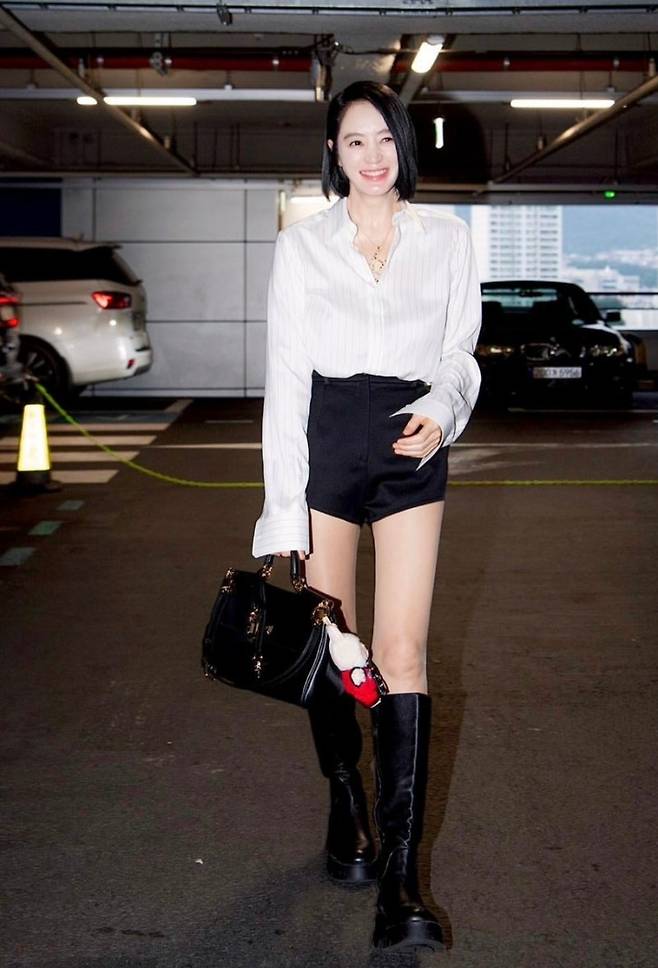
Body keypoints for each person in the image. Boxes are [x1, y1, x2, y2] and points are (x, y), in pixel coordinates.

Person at [251, 80, 482, 952]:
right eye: (355, 141)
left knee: (401, 652)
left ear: (403, 146)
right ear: (334, 154)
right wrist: (283, 512)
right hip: (326, 441)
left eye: (385, 138)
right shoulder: (302, 247)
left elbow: (460, 350)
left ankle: (401, 881)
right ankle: (345, 792)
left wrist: (444, 410)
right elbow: (285, 379)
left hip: (410, 440)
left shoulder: (446, 239)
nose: (373, 156)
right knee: (332, 646)